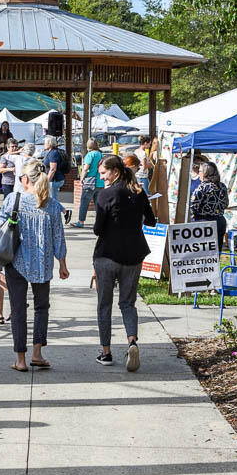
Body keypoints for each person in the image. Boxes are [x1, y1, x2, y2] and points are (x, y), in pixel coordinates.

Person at [0, 159, 69, 372]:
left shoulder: (13, 200)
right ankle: (37, 354)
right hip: (43, 264)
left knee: (18, 309)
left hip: (16, 262)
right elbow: (58, 236)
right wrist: (62, 263)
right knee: (42, 308)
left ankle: (21, 360)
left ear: (25, 180)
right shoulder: (52, 205)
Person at [92, 154, 155, 371]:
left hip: (107, 254)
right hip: (134, 255)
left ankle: (106, 352)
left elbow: (98, 229)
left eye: (103, 173)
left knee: (104, 305)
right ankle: (132, 342)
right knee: (128, 303)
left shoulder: (106, 194)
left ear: (115, 172)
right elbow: (152, 219)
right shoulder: (138, 193)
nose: (102, 178)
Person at [190, 160, 230, 251]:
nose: (198, 173)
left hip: (204, 222)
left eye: (199, 171)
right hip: (220, 221)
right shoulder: (222, 186)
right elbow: (226, 204)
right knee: (216, 251)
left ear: (205, 173)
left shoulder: (203, 187)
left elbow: (193, 206)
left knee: (204, 253)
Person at [72, 138, 104, 227]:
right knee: (99, 204)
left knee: (84, 202)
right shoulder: (101, 154)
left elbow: (86, 168)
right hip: (100, 182)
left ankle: (81, 222)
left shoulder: (90, 155)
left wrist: (81, 178)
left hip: (90, 182)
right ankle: (100, 222)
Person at [44, 135, 67, 204]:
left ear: (49, 144)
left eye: (45, 143)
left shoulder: (53, 153)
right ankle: (63, 211)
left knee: (52, 200)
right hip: (56, 179)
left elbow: (53, 169)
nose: (44, 144)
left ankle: (61, 212)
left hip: (54, 180)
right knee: (53, 199)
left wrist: (47, 181)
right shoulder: (53, 152)